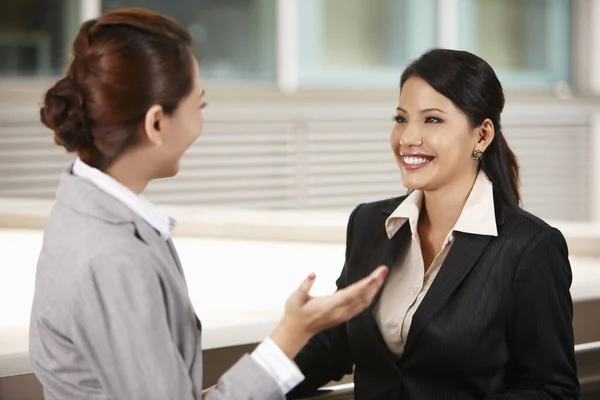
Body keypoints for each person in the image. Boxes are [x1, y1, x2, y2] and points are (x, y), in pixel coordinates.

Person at [28, 8, 389, 400]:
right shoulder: (113, 256)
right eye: (199, 105)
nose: (201, 122)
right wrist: (293, 332)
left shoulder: (81, 205)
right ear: (156, 124)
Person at [287, 49, 580, 400]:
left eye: (433, 120)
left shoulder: (529, 246)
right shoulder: (370, 224)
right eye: (401, 118)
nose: (408, 138)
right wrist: (244, 390)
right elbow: (333, 346)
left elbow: (552, 390)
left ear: (482, 136)